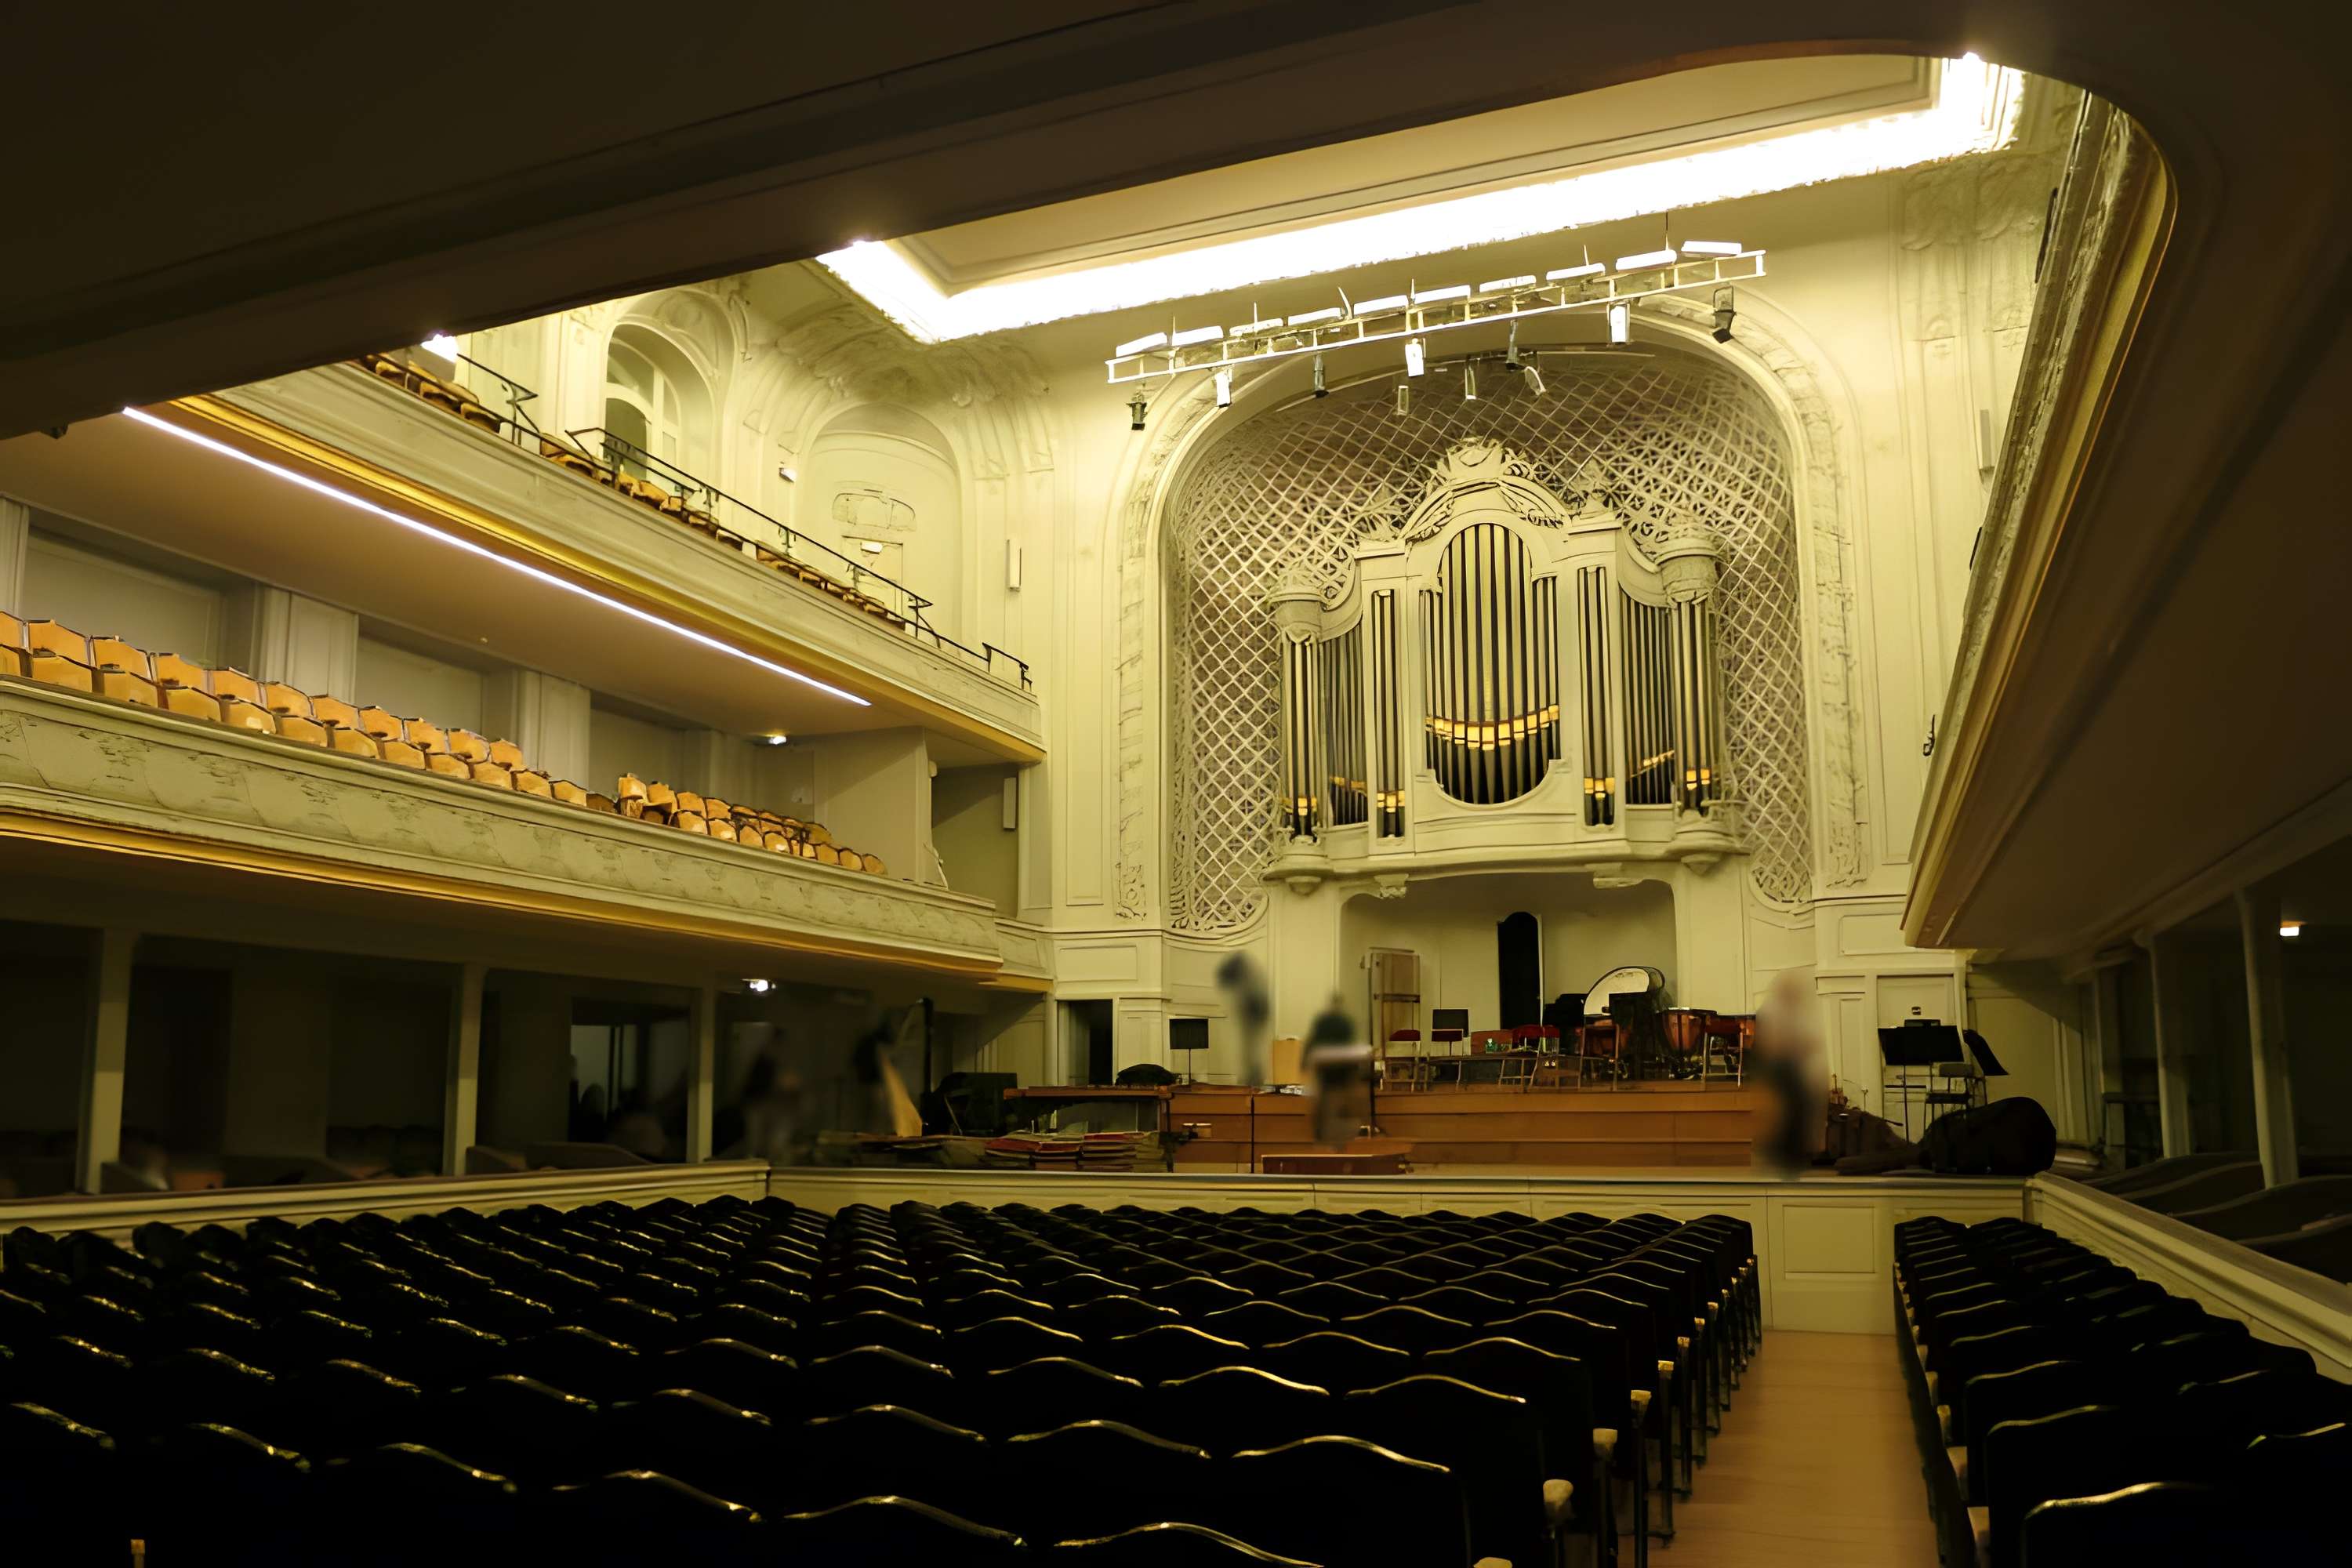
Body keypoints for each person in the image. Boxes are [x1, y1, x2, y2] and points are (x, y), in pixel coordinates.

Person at [1751, 970, 1826, 1176]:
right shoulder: (1771, 1012)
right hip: (1780, 1074)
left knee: (1796, 1126)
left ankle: (1792, 1164)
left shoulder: (1801, 1015)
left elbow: (1810, 1045)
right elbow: (1772, 1045)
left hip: (1794, 1075)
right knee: (1781, 1128)